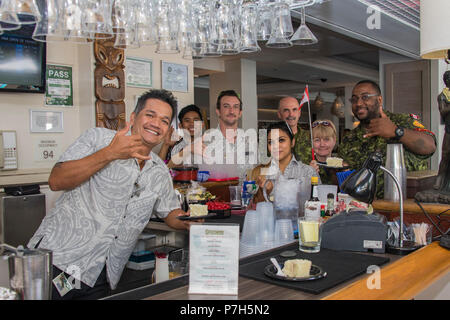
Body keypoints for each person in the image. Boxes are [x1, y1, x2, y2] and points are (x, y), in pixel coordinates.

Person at [27, 89, 194, 300]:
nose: (155, 123)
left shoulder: (159, 170)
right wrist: (110, 154)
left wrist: (189, 221)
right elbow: (57, 180)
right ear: (134, 117)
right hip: (59, 262)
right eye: (150, 115)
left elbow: (169, 212)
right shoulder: (98, 138)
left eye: (163, 120)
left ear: (168, 129)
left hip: (103, 275)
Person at [338, 80, 437, 199]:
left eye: (365, 97)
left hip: (406, 207)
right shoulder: (349, 139)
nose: (359, 103)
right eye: (354, 99)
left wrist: (396, 131)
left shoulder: (402, 121)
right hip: (364, 210)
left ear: (379, 100)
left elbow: (430, 146)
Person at [249, 121, 318, 204]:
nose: (276, 146)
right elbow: (250, 208)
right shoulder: (258, 172)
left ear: (292, 142)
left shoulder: (308, 172)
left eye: (281, 140)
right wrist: (265, 192)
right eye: (271, 142)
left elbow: (318, 206)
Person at [201, 90, 256, 180]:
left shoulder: (249, 141)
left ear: (240, 113)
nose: (231, 111)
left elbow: (257, 171)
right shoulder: (206, 141)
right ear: (218, 111)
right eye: (226, 106)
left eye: (235, 107)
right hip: (216, 193)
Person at [158, 104, 203, 168]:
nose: (192, 124)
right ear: (180, 126)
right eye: (187, 120)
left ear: (202, 124)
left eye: (196, 120)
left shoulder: (209, 144)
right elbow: (157, 169)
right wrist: (166, 145)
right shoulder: (174, 144)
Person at [277, 96, 312, 165]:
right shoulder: (267, 138)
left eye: (294, 109)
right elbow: (261, 166)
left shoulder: (311, 136)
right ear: (279, 114)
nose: (291, 114)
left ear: (299, 113)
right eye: (286, 110)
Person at [308, 120, 339, 185]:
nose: (322, 144)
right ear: (311, 142)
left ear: (334, 140)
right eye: (317, 140)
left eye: (326, 139)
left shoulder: (341, 166)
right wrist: (306, 177)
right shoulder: (304, 167)